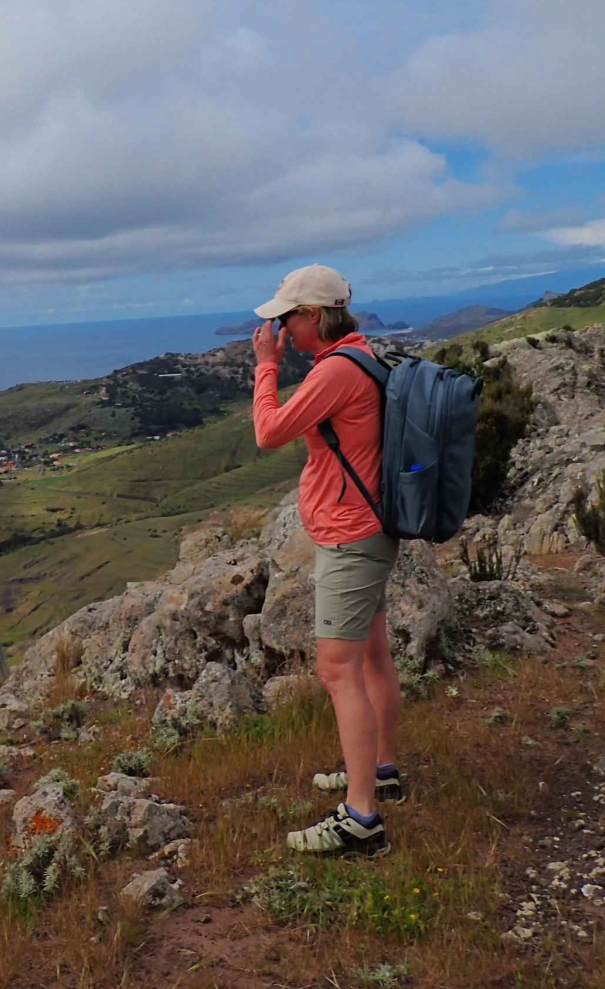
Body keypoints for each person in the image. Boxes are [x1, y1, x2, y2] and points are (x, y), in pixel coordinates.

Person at [250, 264, 402, 858]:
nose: (280, 326)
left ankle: (361, 816)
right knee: (371, 656)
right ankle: (379, 770)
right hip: (370, 527)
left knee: (338, 671)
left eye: (287, 317)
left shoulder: (336, 371)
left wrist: (266, 365)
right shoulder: (356, 356)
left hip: (349, 538)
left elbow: (269, 431)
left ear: (313, 316)